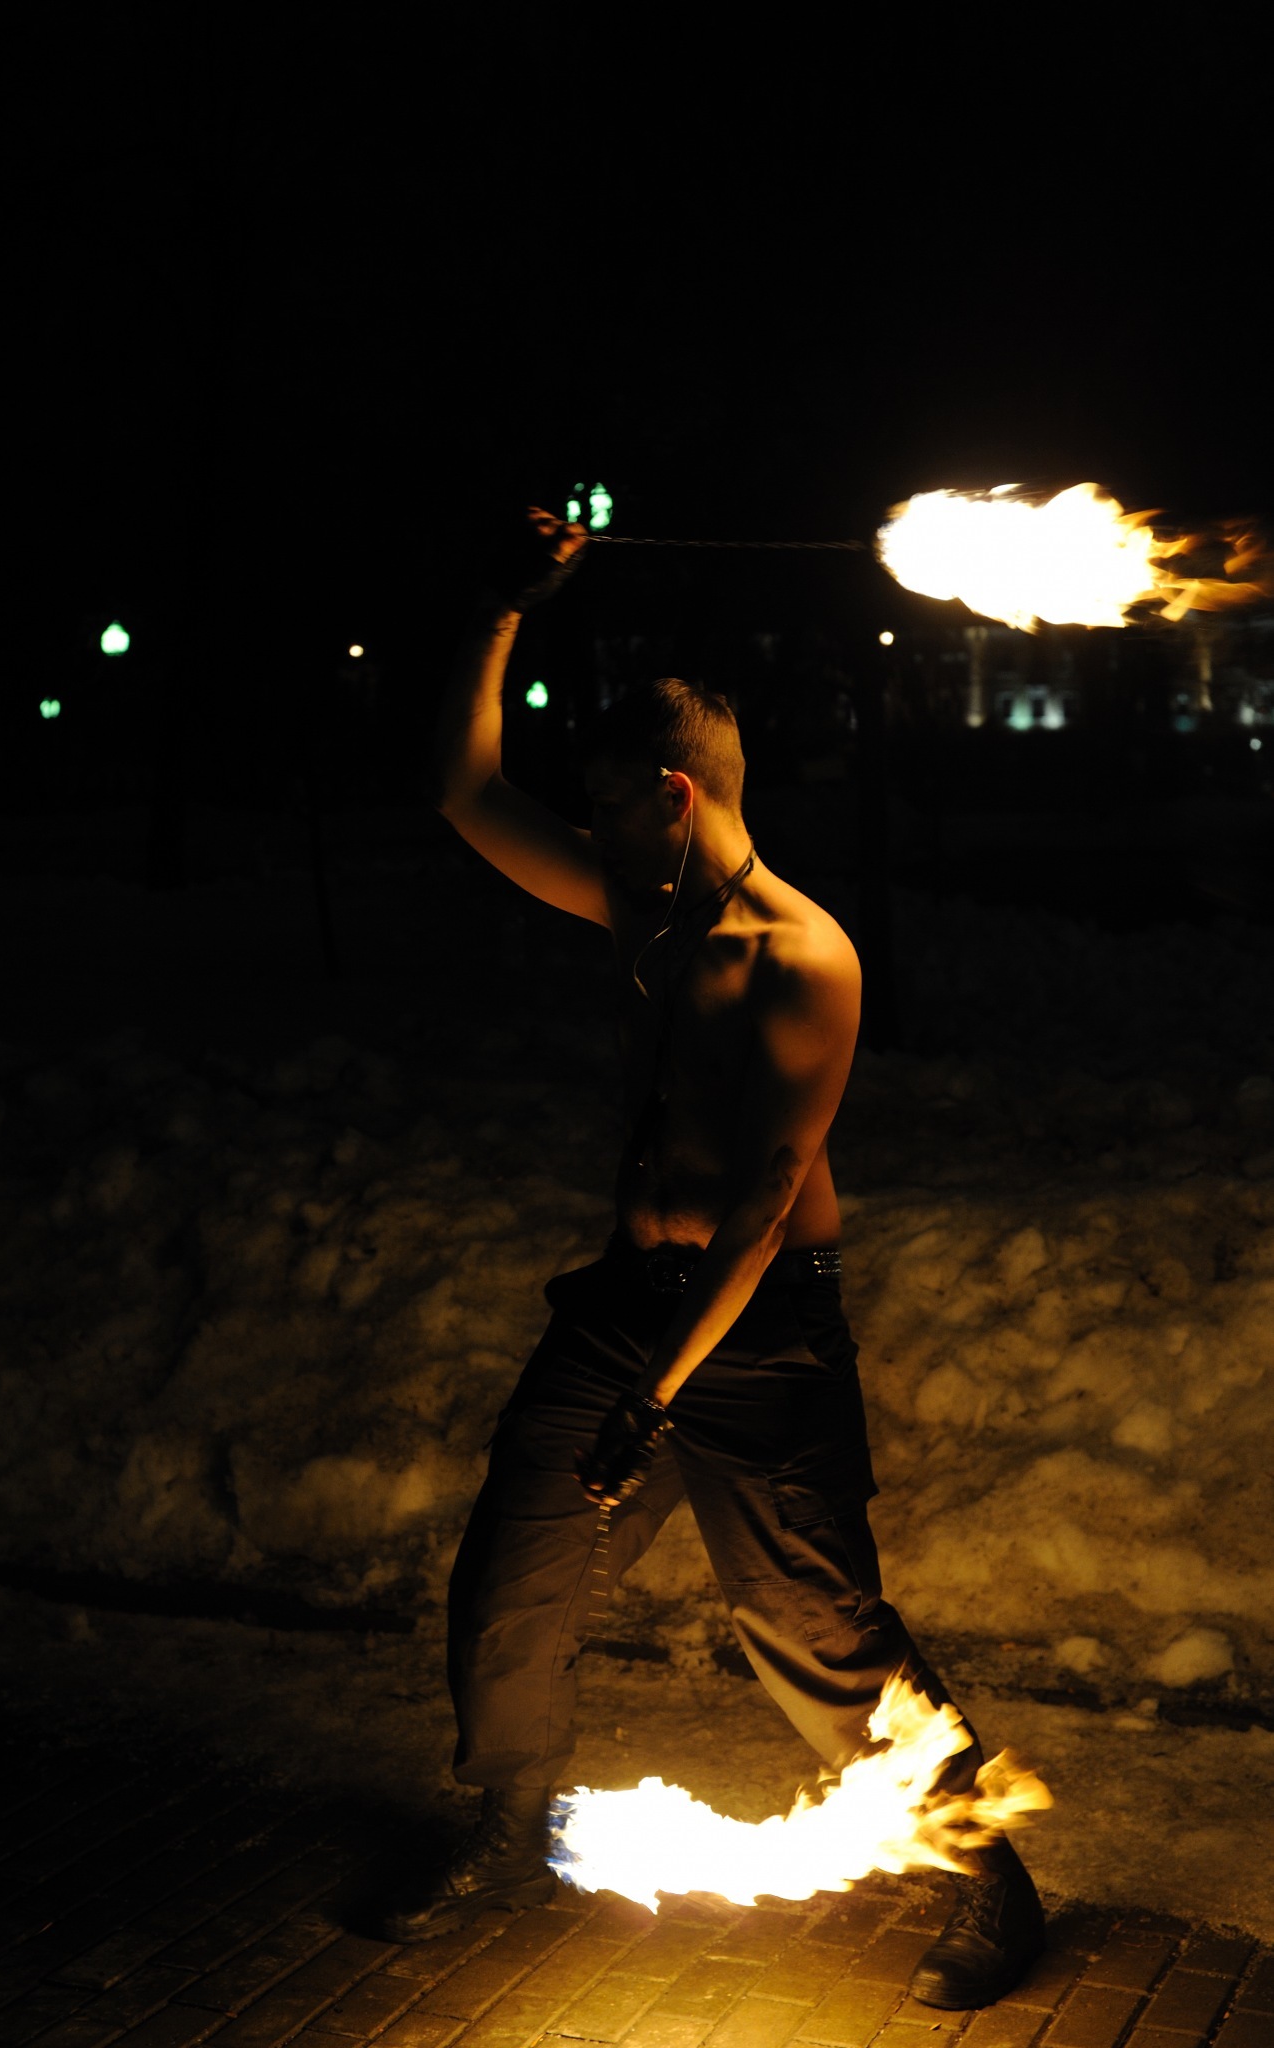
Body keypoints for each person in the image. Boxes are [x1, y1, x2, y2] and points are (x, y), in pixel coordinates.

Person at [381, 510, 1044, 2009]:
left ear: (673, 798)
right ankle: (504, 1821)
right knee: (515, 1571)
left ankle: (991, 1875)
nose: (592, 830)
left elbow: (762, 1205)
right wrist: (500, 604)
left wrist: (663, 1393)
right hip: (629, 1308)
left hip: (764, 1335)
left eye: (612, 806)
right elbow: (462, 789)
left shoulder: (801, 958)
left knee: (818, 1637)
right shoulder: (643, 904)